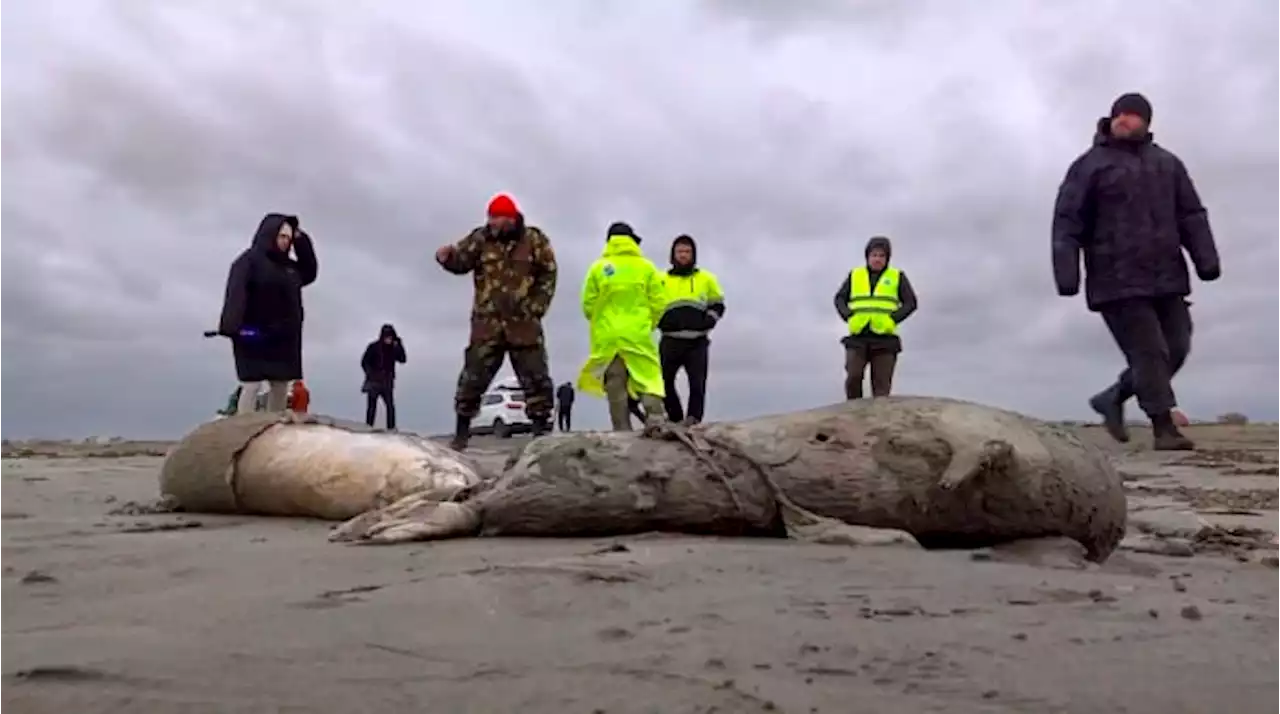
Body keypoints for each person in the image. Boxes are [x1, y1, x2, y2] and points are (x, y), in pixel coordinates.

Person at [1053, 92, 1220, 451]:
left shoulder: (1168, 164)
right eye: (1118, 115)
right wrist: (1067, 273)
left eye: (1131, 116)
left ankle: (1113, 397)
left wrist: (1206, 259)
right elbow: (1067, 222)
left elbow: (1191, 214)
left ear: (1146, 122)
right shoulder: (1089, 166)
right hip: (1115, 278)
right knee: (1149, 352)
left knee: (1177, 347)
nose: (1123, 120)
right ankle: (1163, 426)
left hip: (1167, 276)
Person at [436, 193, 558, 451]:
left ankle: (539, 435)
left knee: (536, 379)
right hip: (487, 323)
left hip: (523, 324)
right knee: (472, 378)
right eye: (489, 217)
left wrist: (536, 307)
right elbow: (461, 261)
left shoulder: (534, 240)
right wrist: (446, 258)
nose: (491, 222)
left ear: (510, 218)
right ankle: (461, 435)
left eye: (496, 217)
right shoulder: (480, 239)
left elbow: (548, 273)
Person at [219, 213, 318, 414]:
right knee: (252, 384)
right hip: (253, 335)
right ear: (269, 233)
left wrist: (301, 240)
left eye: (289, 239)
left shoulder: (290, 268)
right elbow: (236, 293)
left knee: (280, 386)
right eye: (282, 236)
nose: (286, 242)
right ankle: (243, 427)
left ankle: (275, 429)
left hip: (283, 338)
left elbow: (310, 271)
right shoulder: (247, 261)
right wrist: (232, 327)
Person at [578, 222, 668, 431]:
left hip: (608, 337)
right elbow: (659, 302)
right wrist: (648, 324)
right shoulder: (646, 267)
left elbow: (587, 306)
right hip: (637, 333)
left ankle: (622, 432)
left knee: (615, 385)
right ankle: (656, 420)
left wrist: (602, 323)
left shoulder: (598, 268)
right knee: (648, 377)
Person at [833, 236, 917, 399]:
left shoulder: (897, 276)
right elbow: (839, 298)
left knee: (881, 388)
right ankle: (853, 411)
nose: (877, 259)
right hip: (858, 336)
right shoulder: (855, 275)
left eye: (881, 256)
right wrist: (849, 316)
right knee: (853, 377)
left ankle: (879, 420)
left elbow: (911, 303)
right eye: (874, 255)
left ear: (887, 258)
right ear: (867, 257)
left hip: (885, 339)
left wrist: (893, 319)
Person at [656, 234, 726, 425]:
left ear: (693, 254)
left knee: (697, 384)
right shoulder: (660, 279)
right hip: (670, 339)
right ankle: (676, 417)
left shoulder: (706, 278)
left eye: (687, 251)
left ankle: (693, 419)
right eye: (680, 251)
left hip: (697, 342)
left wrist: (709, 321)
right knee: (662, 382)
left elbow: (718, 304)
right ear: (673, 255)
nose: (683, 255)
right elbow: (650, 305)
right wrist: (659, 321)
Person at [360, 324, 406, 429]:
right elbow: (364, 362)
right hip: (374, 382)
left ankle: (391, 428)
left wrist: (399, 345)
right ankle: (368, 427)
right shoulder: (373, 347)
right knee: (371, 407)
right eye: (387, 337)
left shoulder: (394, 349)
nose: (388, 339)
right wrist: (370, 374)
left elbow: (403, 359)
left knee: (390, 407)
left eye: (390, 337)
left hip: (387, 382)